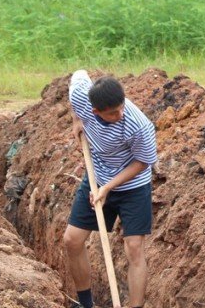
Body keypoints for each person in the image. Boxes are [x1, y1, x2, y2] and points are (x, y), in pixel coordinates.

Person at [63, 70, 158, 308]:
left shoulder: (139, 126)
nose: (120, 113)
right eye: (113, 113)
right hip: (98, 177)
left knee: (134, 247)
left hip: (133, 186)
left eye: (121, 107)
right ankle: (85, 304)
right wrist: (76, 119)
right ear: (95, 112)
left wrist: (108, 187)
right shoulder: (83, 100)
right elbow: (78, 75)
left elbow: (143, 162)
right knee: (72, 241)